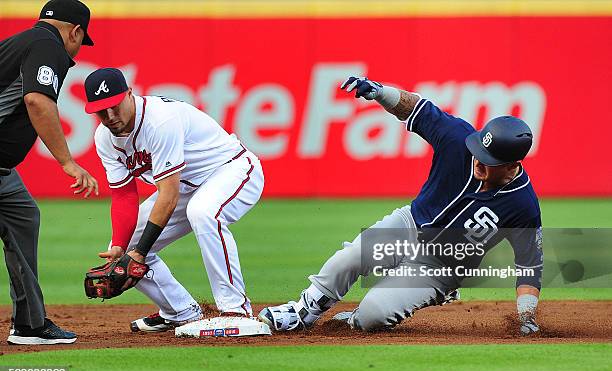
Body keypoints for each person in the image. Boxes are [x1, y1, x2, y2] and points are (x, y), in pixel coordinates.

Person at [259, 76, 543, 335]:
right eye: (480, 149)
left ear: (511, 166)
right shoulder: (459, 139)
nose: (479, 159)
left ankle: (355, 319)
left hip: (441, 265)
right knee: (352, 256)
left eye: (489, 159)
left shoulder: (523, 205)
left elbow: (530, 264)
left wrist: (527, 316)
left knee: (374, 316)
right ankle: (302, 312)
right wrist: (380, 92)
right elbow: (418, 108)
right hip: (410, 223)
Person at [84, 67, 264, 332]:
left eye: (115, 106)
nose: (110, 116)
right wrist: (124, 247)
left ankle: (236, 310)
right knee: (122, 249)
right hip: (187, 186)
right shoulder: (104, 139)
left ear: (130, 95)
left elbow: (168, 196)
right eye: (101, 111)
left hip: (231, 169)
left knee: (203, 212)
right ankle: (180, 311)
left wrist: (139, 254)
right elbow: (124, 194)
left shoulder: (159, 121)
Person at [0, 0, 98, 345]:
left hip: (3, 172)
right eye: (80, 40)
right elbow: (37, 101)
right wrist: (67, 161)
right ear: (75, 31)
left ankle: (29, 324)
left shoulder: (21, 42)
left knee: (23, 217)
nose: (76, 49)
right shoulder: (48, 46)